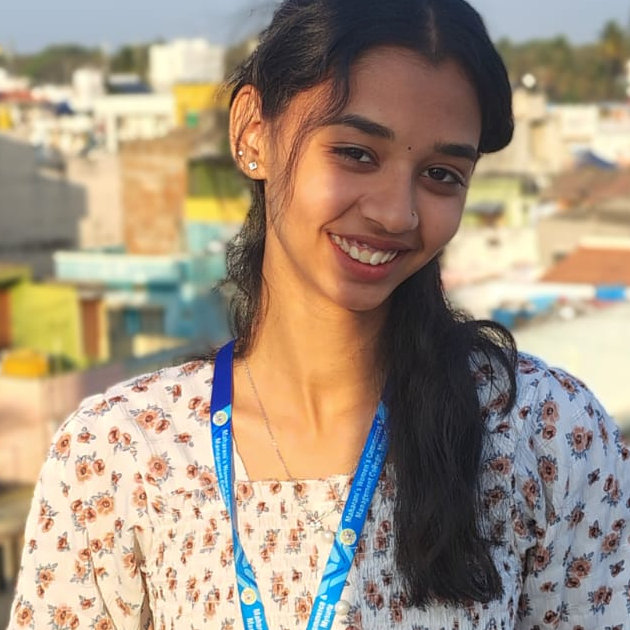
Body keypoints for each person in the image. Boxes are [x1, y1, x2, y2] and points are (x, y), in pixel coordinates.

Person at [7, 0, 630, 628]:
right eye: (356, 153)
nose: (396, 213)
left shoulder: (542, 436)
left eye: (442, 174)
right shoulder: (122, 456)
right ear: (253, 133)